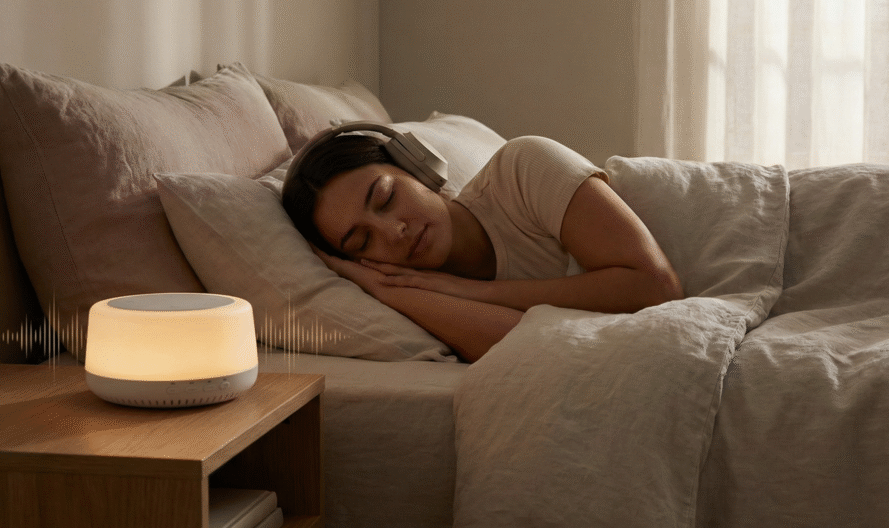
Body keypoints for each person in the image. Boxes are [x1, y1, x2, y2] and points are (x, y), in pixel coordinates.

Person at [282, 133, 683, 362]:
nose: (394, 231)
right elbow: (525, 350)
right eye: (362, 240)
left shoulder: (522, 167)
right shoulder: (425, 295)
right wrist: (384, 289)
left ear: (417, 167)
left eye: (386, 197)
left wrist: (479, 292)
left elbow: (656, 288)